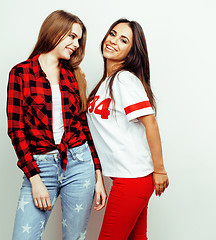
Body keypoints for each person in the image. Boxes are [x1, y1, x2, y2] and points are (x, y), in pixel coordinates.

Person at [7, 10, 106, 240]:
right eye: (72, 36)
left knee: (74, 238)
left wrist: (98, 174)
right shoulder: (20, 73)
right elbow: (16, 130)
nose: (76, 43)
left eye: (79, 39)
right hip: (41, 168)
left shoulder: (73, 75)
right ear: (54, 31)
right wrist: (34, 179)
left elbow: (83, 126)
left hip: (80, 164)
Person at [86, 18, 169, 239]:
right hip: (127, 177)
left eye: (123, 40)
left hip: (133, 178)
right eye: (112, 34)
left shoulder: (124, 80)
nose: (113, 41)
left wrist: (160, 170)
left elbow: (149, 121)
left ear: (131, 52)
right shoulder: (105, 83)